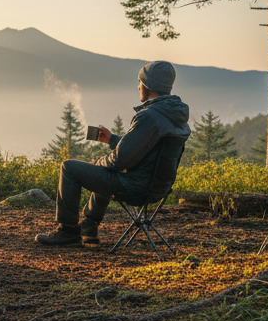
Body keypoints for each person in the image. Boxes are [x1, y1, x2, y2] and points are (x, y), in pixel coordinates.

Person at [36, 60, 191, 246]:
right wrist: (111, 139)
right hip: (158, 188)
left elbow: (120, 160)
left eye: (140, 82)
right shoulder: (173, 116)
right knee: (106, 169)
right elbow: (146, 150)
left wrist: (99, 163)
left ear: (148, 85)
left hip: (136, 188)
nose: (138, 86)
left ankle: (68, 232)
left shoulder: (148, 116)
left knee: (69, 168)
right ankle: (89, 226)